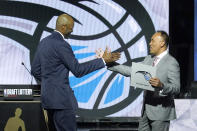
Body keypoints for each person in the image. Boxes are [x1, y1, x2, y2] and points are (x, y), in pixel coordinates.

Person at [31, 14, 120, 131]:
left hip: (48, 100)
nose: (72, 30)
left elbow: (35, 70)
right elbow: (78, 70)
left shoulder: (44, 42)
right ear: (63, 27)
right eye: (71, 27)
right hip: (62, 101)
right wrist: (103, 61)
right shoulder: (62, 45)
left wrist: (50, 83)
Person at [102, 31, 180, 131]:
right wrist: (110, 63)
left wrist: (162, 86)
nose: (150, 43)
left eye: (152, 40)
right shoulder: (148, 59)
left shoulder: (171, 62)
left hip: (161, 113)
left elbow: (176, 88)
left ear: (162, 43)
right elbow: (130, 71)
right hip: (145, 112)